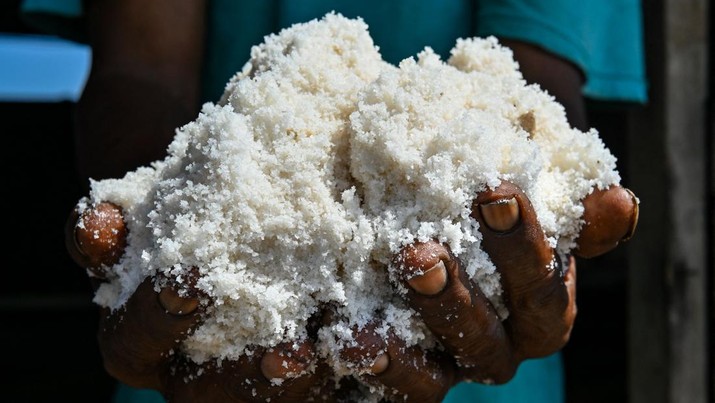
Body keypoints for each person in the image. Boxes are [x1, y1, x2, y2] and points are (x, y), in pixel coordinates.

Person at [23, 0, 645, 402]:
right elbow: (141, 70)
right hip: (201, 352)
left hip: (470, 360)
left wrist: (545, 205)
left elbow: (530, 84)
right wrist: (150, 230)